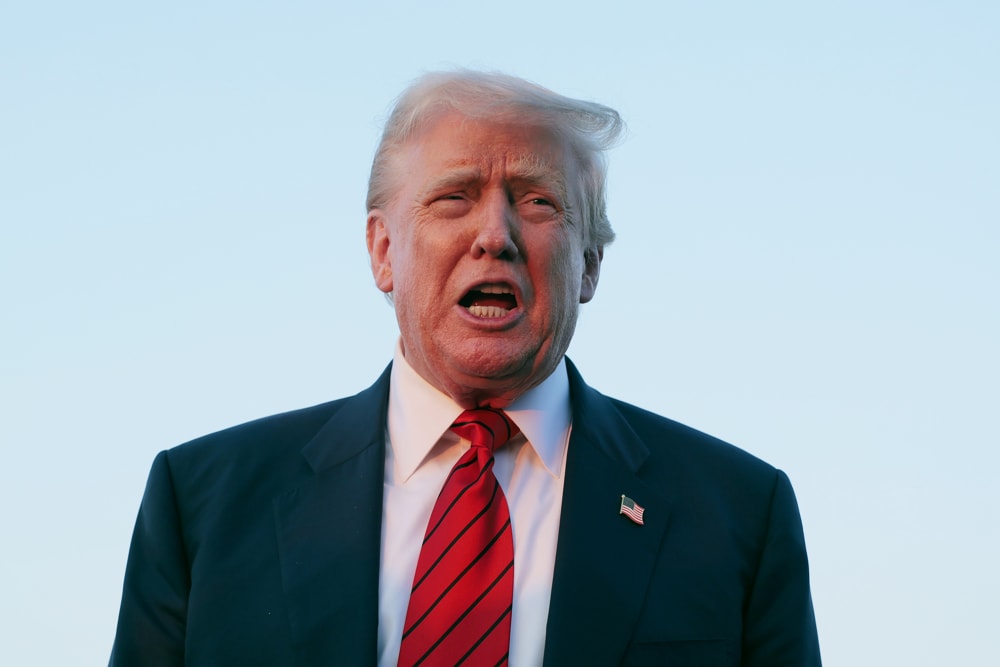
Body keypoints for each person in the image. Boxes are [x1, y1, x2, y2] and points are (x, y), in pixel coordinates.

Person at [110, 70, 821, 666]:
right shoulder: (203, 506)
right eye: (454, 197)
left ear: (591, 265)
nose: (495, 235)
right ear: (384, 250)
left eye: (538, 201)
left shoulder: (735, 516)